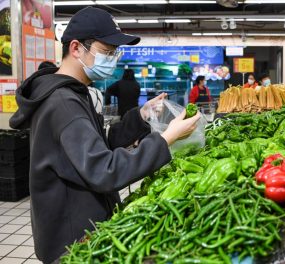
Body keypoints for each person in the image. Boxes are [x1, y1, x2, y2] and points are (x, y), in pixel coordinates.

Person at [9, 7, 200, 263]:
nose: (113, 60)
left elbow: (99, 144)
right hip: (73, 241)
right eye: (107, 52)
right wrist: (166, 139)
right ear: (76, 48)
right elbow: (104, 170)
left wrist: (141, 116)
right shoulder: (64, 104)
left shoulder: (76, 93)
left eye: (114, 53)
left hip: (81, 226)